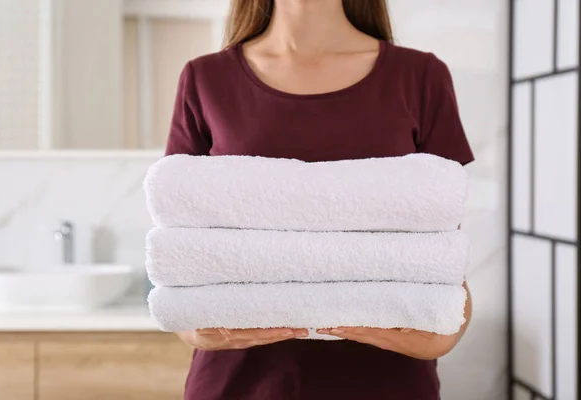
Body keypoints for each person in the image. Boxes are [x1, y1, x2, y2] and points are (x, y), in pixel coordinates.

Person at [165, 0, 474, 398]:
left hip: (387, 381)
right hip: (241, 383)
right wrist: (191, 326)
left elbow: (444, 251)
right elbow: (179, 243)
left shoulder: (419, 76)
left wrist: (447, 332)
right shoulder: (205, 78)